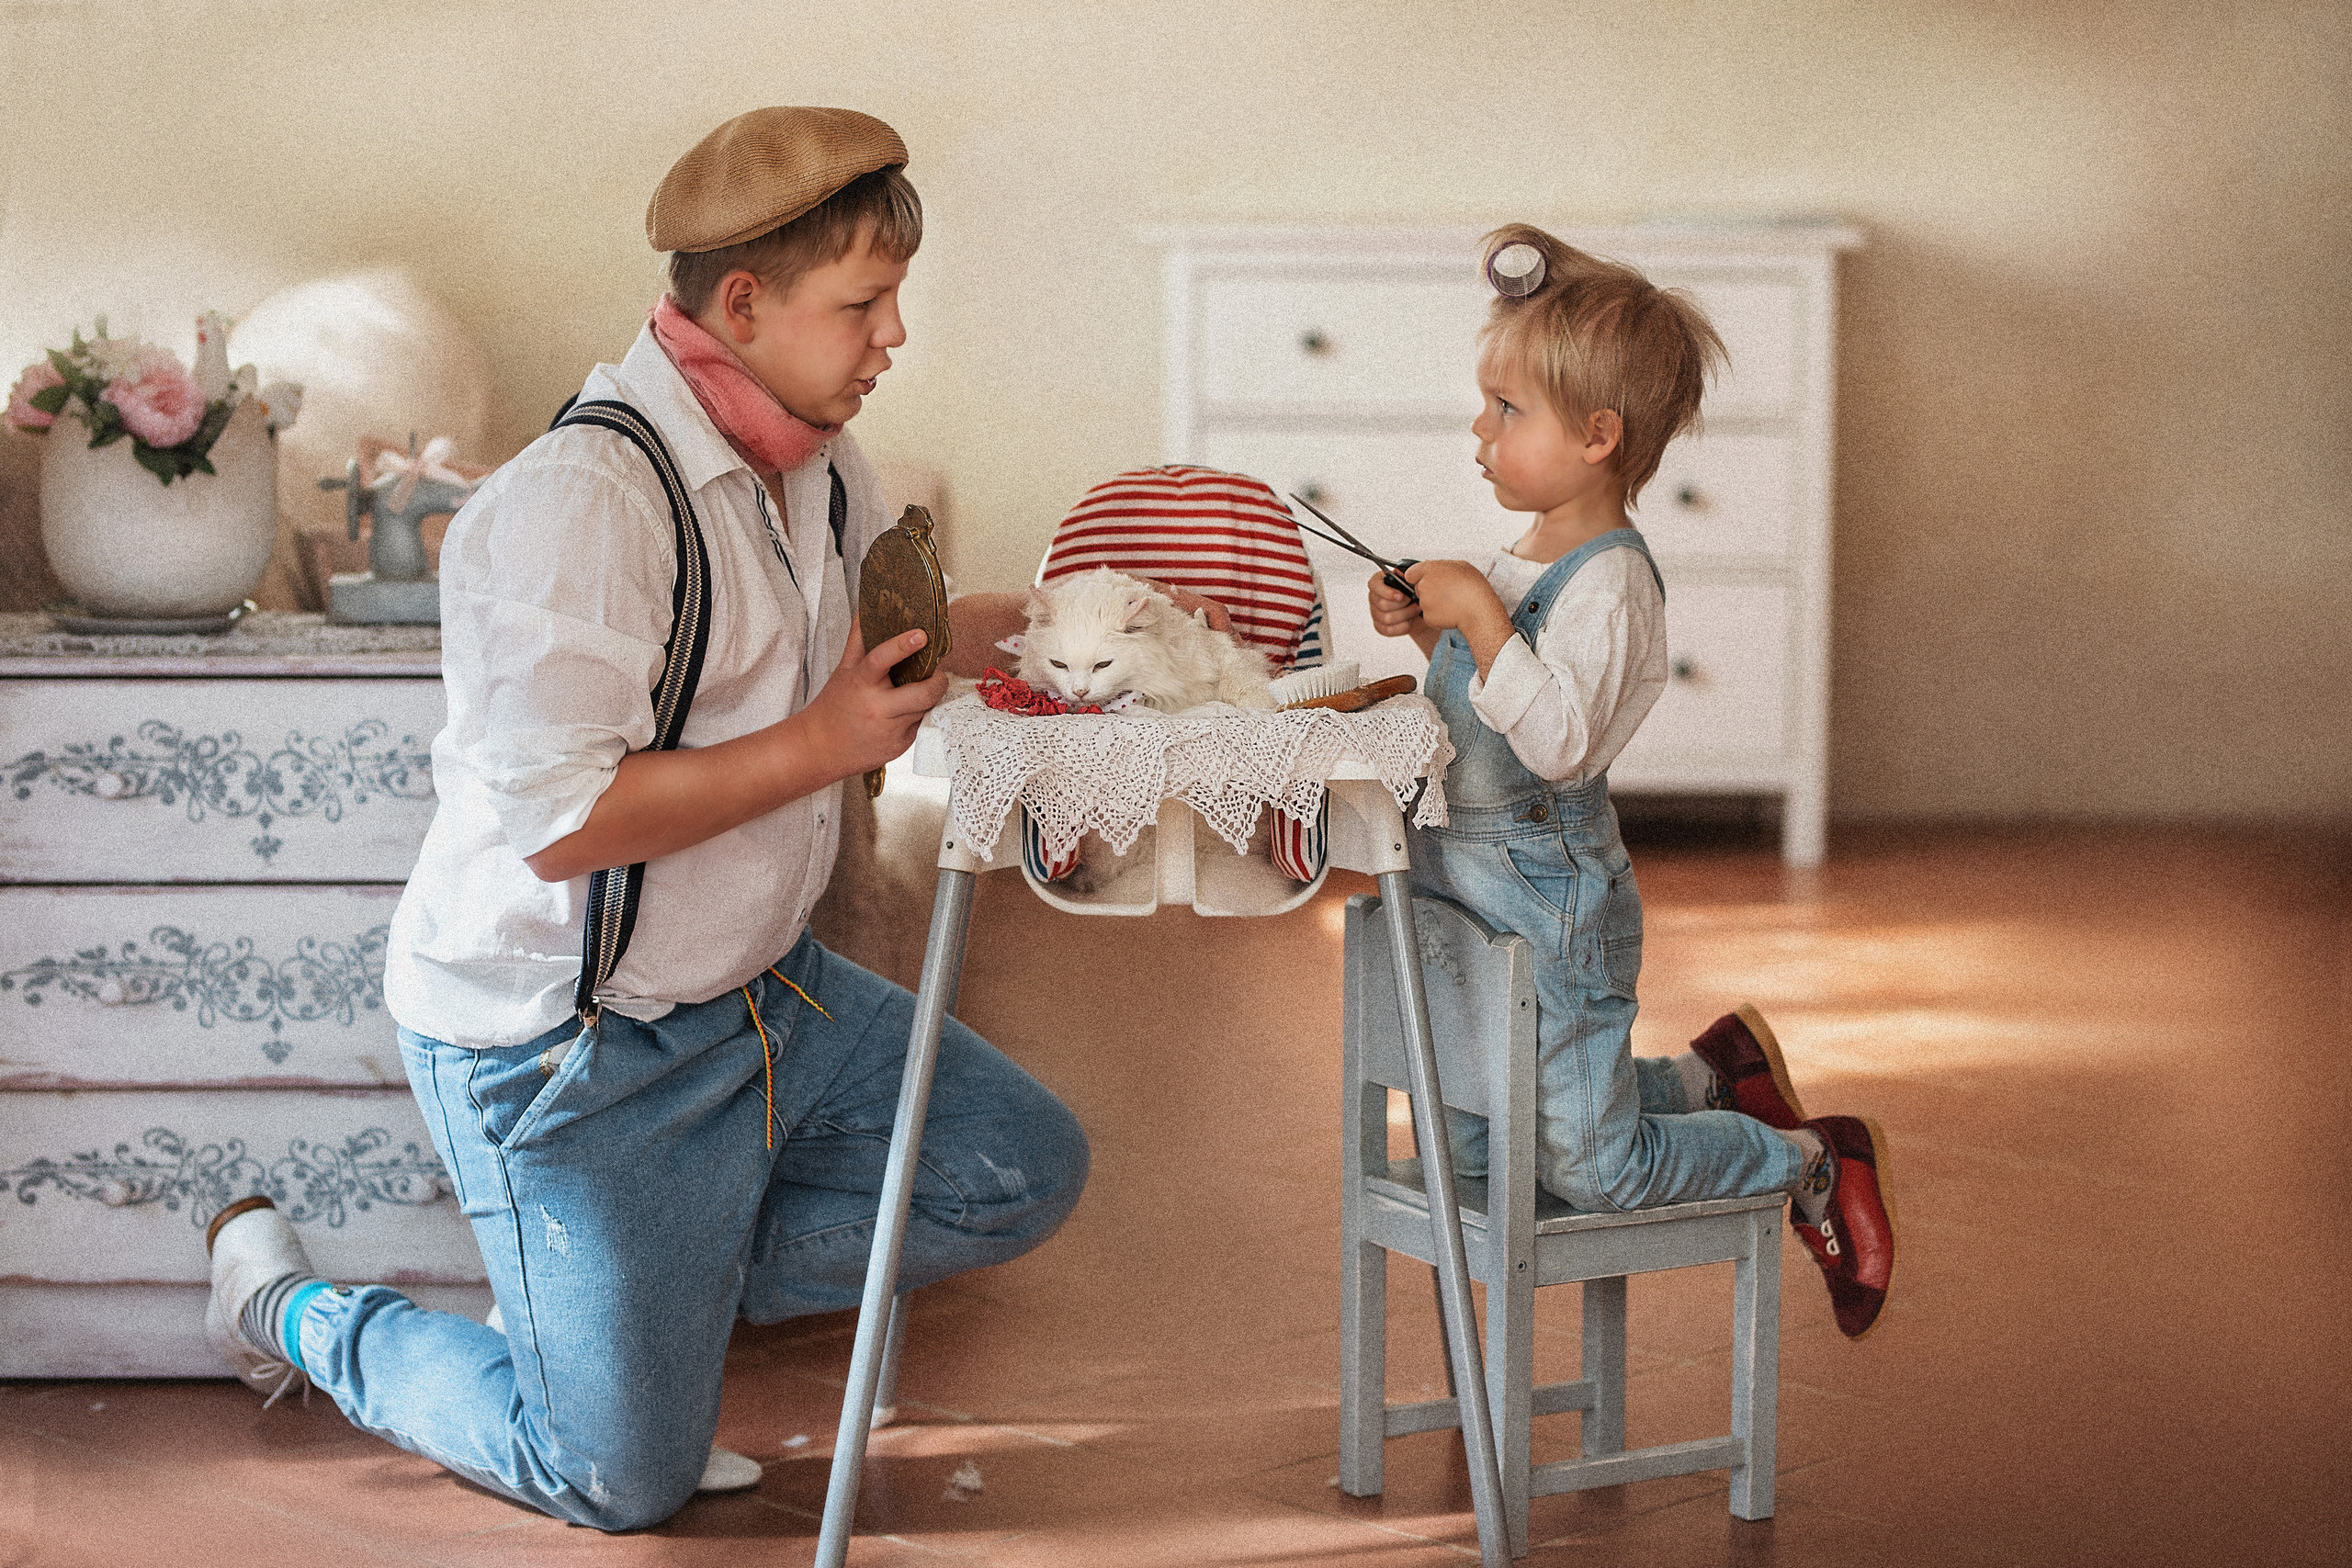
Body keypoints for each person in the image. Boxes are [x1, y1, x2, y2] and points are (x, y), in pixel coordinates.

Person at [198, 107, 1096, 1530]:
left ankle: (622, 1316)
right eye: (863, 304)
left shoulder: (824, 466)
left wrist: (1044, 627)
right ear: (741, 305)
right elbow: (564, 823)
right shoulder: (584, 503)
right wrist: (820, 743)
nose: (894, 336)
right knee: (615, 1480)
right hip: (567, 1034)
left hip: (755, 987)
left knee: (1015, 1165)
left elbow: (876, 642)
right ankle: (295, 1306)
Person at [1367, 224, 1895, 1338]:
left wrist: (1474, 615)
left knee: (1592, 1167)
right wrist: (1436, 636)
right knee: (1487, 1135)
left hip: (1547, 905)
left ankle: (1808, 1158)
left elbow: (1558, 745)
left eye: (1507, 411)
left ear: (1598, 436)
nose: (1480, 429)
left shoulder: (1613, 589)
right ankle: (1714, 1075)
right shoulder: (1522, 562)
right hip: (1466, 888)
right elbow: (1489, 722)